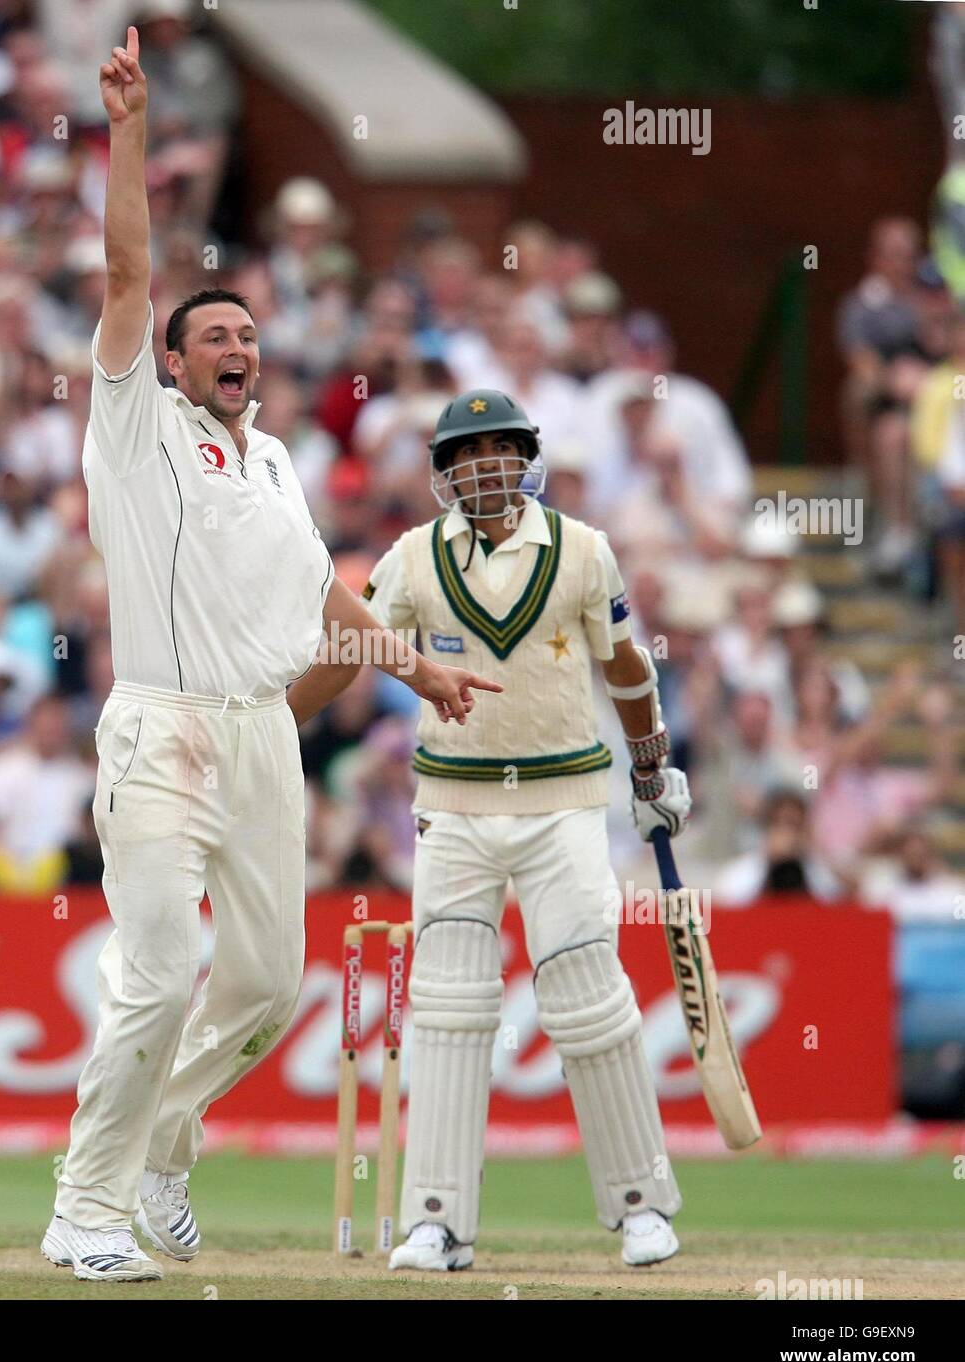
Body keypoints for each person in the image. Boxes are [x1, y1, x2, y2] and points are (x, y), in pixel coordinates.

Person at [41, 29, 498, 1282]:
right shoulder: (137, 427)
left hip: (258, 736)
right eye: (215, 335)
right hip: (161, 724)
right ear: (176, 362)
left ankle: (165, 1143)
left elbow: (327, 597)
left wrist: (423, 669)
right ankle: (82, 1209)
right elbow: (130, 270)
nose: (238, 346)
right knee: (160, 969)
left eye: (249, 332)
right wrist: (130, 128)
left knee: (258, 983)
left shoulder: (278, 460)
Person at [287, 389, 692, 1271]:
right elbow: (349, 654)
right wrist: (272, 728)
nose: (485, 467)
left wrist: (653, 762)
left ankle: (640, 1207)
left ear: (525, 459)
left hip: (564, 803)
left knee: (588, 993)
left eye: (499, 450)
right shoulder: (411, 558)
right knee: (448, 1006)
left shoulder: (583, 551)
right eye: (466, 455)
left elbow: (624, 666)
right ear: (443, 474)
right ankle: (437, 1220)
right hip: (455, 809)